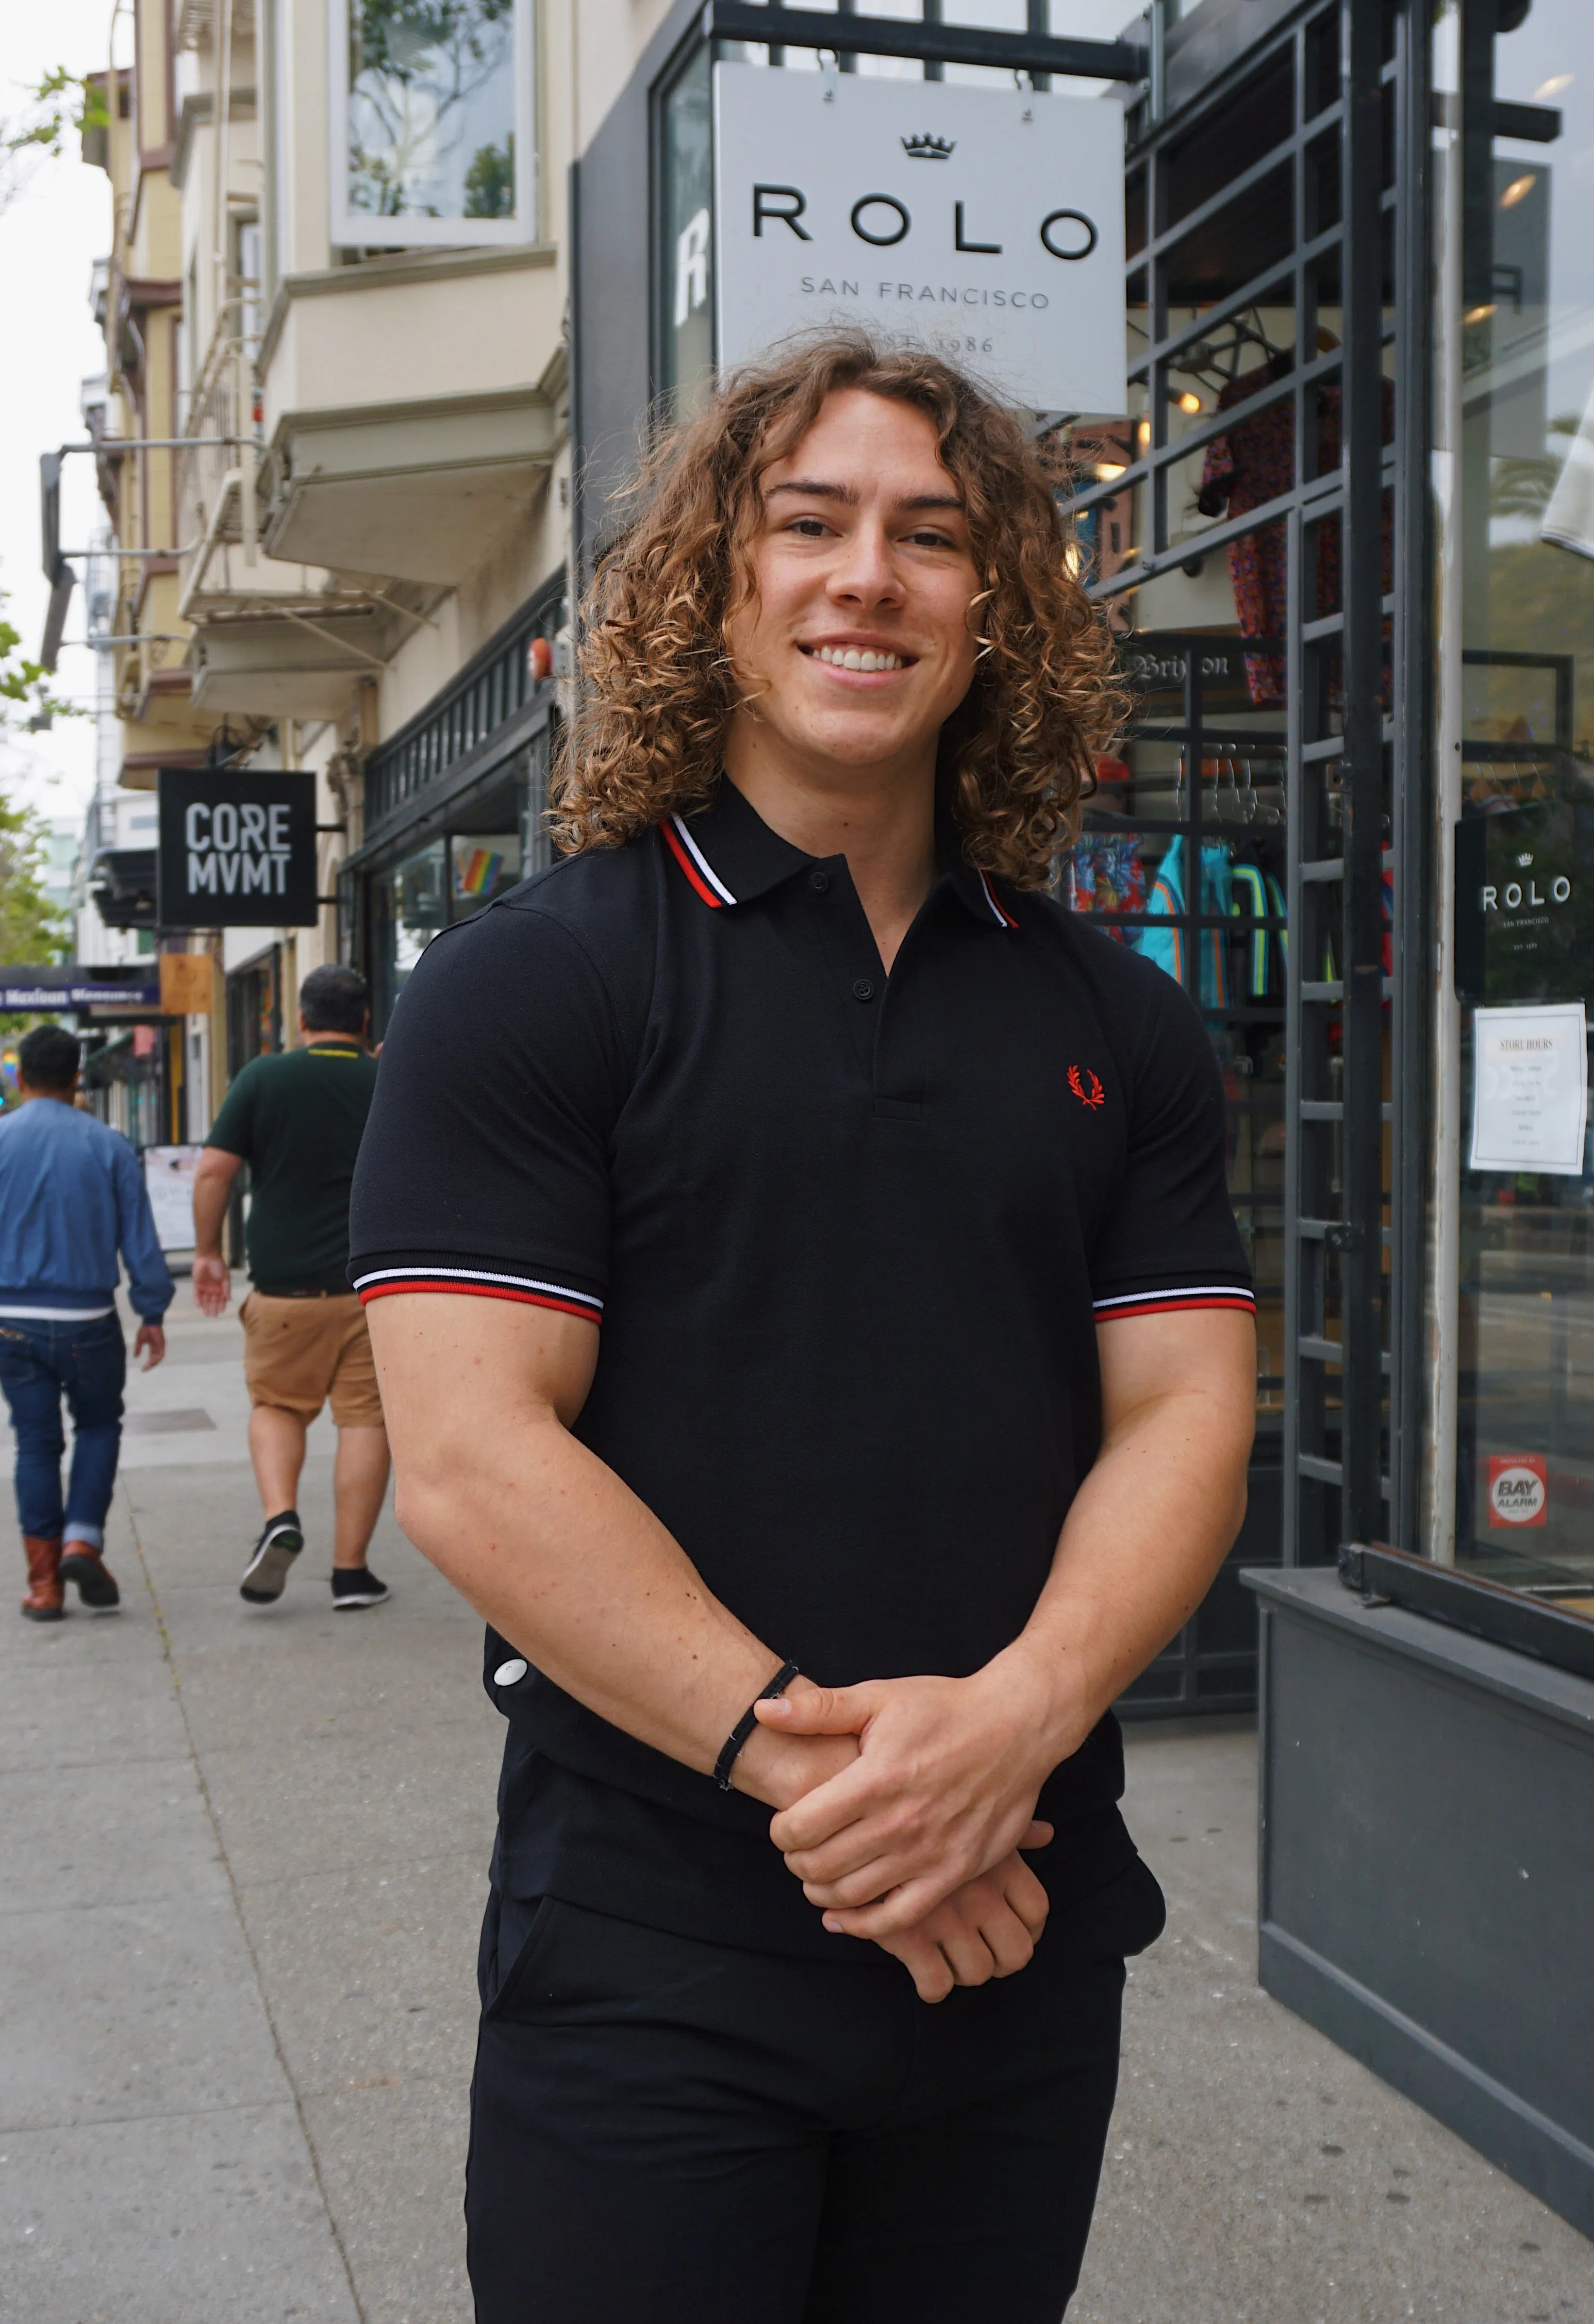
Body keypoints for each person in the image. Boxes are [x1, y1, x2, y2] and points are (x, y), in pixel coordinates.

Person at [350, 335, 1258, 2323]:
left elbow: (1184, 1415)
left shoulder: (1118, 1020)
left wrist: (1004, 1731)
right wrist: (812, 1770)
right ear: (718, 585)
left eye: (931, 537)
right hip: (654, 1953)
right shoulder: (535, 982)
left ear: (994, 608)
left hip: (1016, 1921)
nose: (867, 576)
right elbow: (477, 1460)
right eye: (809, 524)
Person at [193, 963, 391, 1610]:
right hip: (371, 1288)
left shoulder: (263, 1076)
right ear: (364, 1021)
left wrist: (206, 1254)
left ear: (300, 1021)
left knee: (278, 1405)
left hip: (284, 1291)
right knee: (366, 1421)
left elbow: (214, 1172)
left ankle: (281, 1516)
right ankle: (351, 1573)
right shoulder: (387, 1077)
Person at [0, 1022, 172, 1621]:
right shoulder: (108, 1146)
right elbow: (141, 1241)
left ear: (21, 1077)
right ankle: (82, 1537)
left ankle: (44, 1584)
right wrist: (152, 1310)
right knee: (100, 1425)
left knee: (34, 1444)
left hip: (12, 1319)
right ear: (78, 1078)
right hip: (90, 1318)